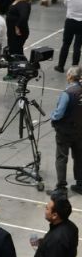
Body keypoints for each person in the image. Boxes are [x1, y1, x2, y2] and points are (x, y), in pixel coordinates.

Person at [49, 67, 82, 195]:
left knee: (61, 157)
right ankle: (80, 183)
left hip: (65, 130)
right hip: (80, 129)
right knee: (79, 156)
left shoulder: (67, 93)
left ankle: (61, 187)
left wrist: (53, 116)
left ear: (69, 76)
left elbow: (58, 114)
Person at [55, 0, 82, 73]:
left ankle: (60, 66)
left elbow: (66, 3)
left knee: (66, 44)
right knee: (77, 46)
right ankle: (74, 69)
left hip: (70, 21)